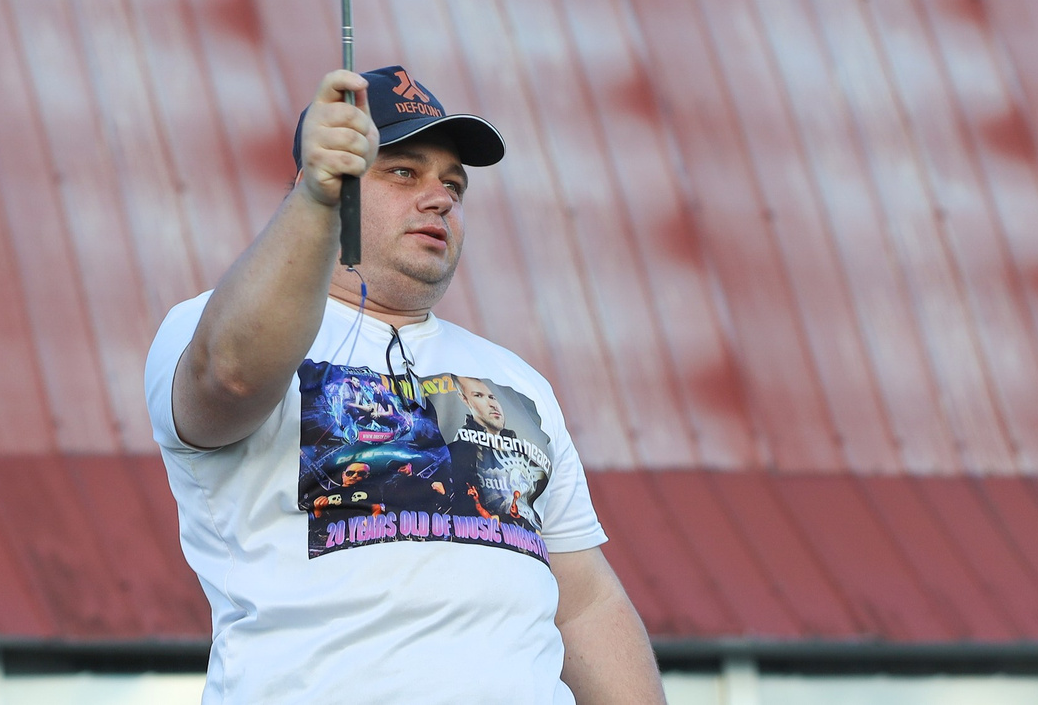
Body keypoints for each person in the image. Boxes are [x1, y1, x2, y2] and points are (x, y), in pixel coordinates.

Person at [145, 66, 665, 705]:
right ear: (322, 180)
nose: (440, 198)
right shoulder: (209, 325)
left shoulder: (516, 379)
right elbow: (229, 377)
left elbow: (584, 602)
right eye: (402, 172)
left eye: (453, 184)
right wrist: (313, 205)